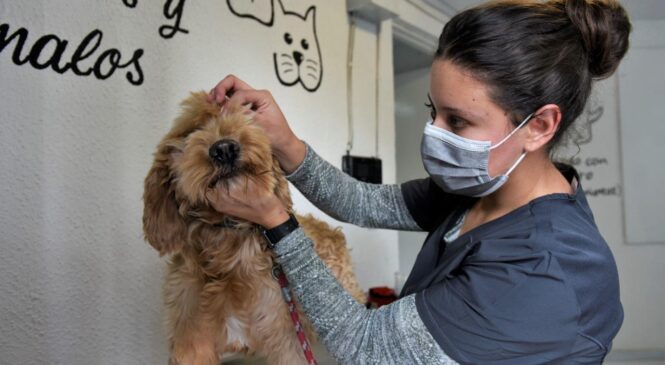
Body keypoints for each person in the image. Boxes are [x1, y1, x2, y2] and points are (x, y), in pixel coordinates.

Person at [206, 0, 631, 363]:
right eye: (434, 111)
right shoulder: (479, 189)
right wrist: (285, 142)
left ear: (539, 126)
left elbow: (365, 346)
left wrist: (277, 222)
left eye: (458, 121)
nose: (433, 133)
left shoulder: (543, 272)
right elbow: (362, 202)